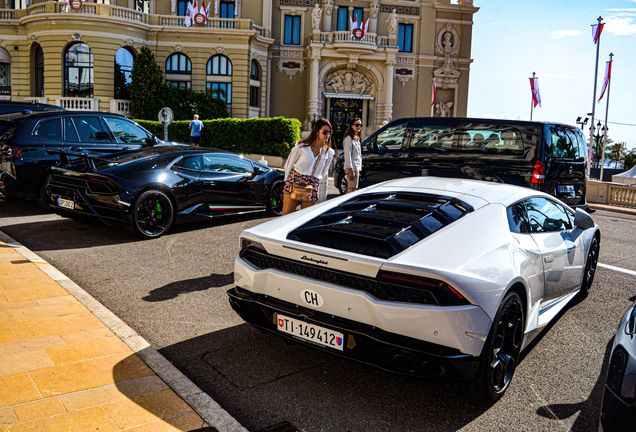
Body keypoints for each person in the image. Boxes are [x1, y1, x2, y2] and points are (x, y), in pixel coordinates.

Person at [282, 118, 335, 215]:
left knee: (305, 219)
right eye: (325, 132)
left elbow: (324, 172)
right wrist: (287, 182)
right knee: (286, 217)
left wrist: (315, 182)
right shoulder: (301, 146)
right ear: (316, 132)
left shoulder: (329, 152)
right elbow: (288, 165)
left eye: (330, 132)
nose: (328, 135)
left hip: (312, 184)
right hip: (295, 181)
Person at [343, 117, 363, 193]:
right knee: (351, 189)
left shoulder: (356, 138)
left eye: (360, 125)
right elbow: (348, 154)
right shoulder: (349, 138)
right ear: (352, 126)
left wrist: (358, 169)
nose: (359, 127)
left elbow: (358, 155)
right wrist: (351, 170)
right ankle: (345, 204)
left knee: (353, 189)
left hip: (356, 167)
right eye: (357, 125)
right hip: (351, 167)